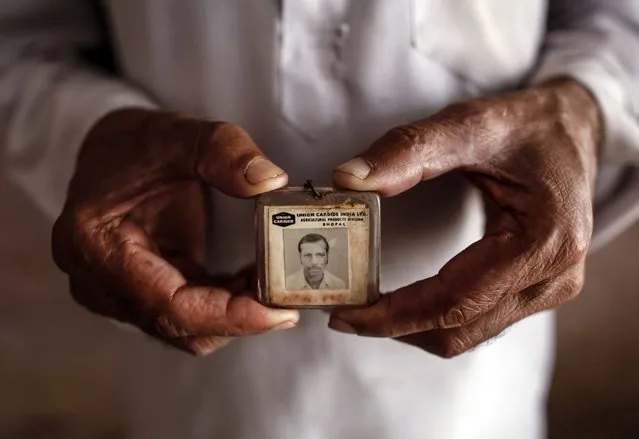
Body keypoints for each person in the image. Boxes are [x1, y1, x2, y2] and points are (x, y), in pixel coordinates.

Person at [3, 1, 639, 438]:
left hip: (472, 391)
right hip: (201, 385)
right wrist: (85, 130)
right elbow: (21, 34)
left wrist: (582, 109)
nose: (312, 261)